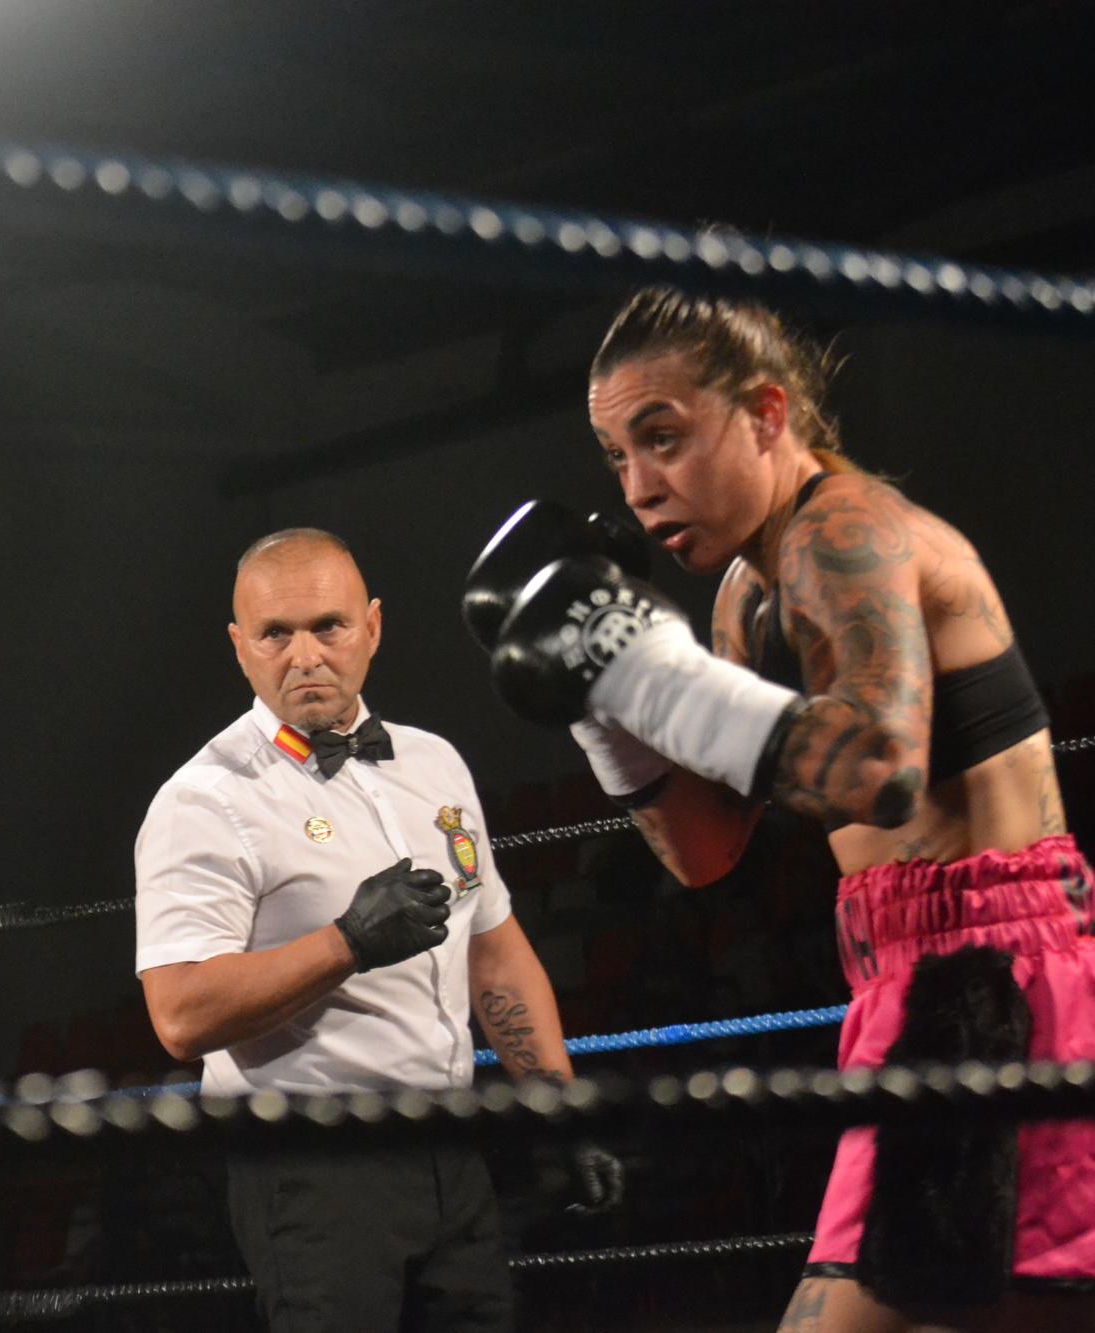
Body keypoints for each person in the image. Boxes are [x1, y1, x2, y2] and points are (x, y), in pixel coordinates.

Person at [469, 286, 1095, 1332]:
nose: (638, 488)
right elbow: (706, 851)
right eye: (616, 456)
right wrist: (604, 708)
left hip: (1002, 978)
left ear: (766, 415)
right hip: (909, 983)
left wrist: (646, 671)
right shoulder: (740, 596)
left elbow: (878, 768)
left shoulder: (842, 529)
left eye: (661, 439)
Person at [134, 528, 619, 1333]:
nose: (304, 655)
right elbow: (180, 1014)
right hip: (312, 1165)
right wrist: (347, 942)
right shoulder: (205, 800)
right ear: (239, 646)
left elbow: (493, 953)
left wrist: (557, 1107)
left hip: (452, 1154)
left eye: (327, 625)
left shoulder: (436, 766)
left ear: (373, 627)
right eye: (275, 634)